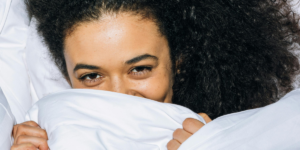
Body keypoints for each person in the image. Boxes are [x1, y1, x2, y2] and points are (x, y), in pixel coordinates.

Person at [11, 0, 300, 149]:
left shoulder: (241, 131)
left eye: (139, 69)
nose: (119, 95)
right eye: (91, 76)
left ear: (178, 62)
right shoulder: (46, 127)